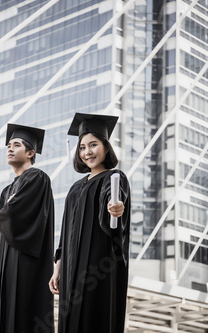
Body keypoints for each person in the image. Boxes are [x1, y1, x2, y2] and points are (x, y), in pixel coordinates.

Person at [49, 113, 131, 333]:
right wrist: (58, 269)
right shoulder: (75, 188)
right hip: (70, 269)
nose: (87, 152)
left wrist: (116, 209)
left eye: (93, 145)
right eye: (82, 147)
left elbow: (113, 202)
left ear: (106, 147)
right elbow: (66, 231)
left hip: (97, 267)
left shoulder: (114, 177)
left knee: (92, 318)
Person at [0, 123, 55, 333]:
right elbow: (0, 233)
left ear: (31, 152)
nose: (10, 148)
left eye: (16, 145)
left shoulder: (37, 177)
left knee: (23, 314)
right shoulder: (7, 190)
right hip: (5, 262)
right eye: (8, 145)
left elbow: (19, 216)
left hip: (25, 262)